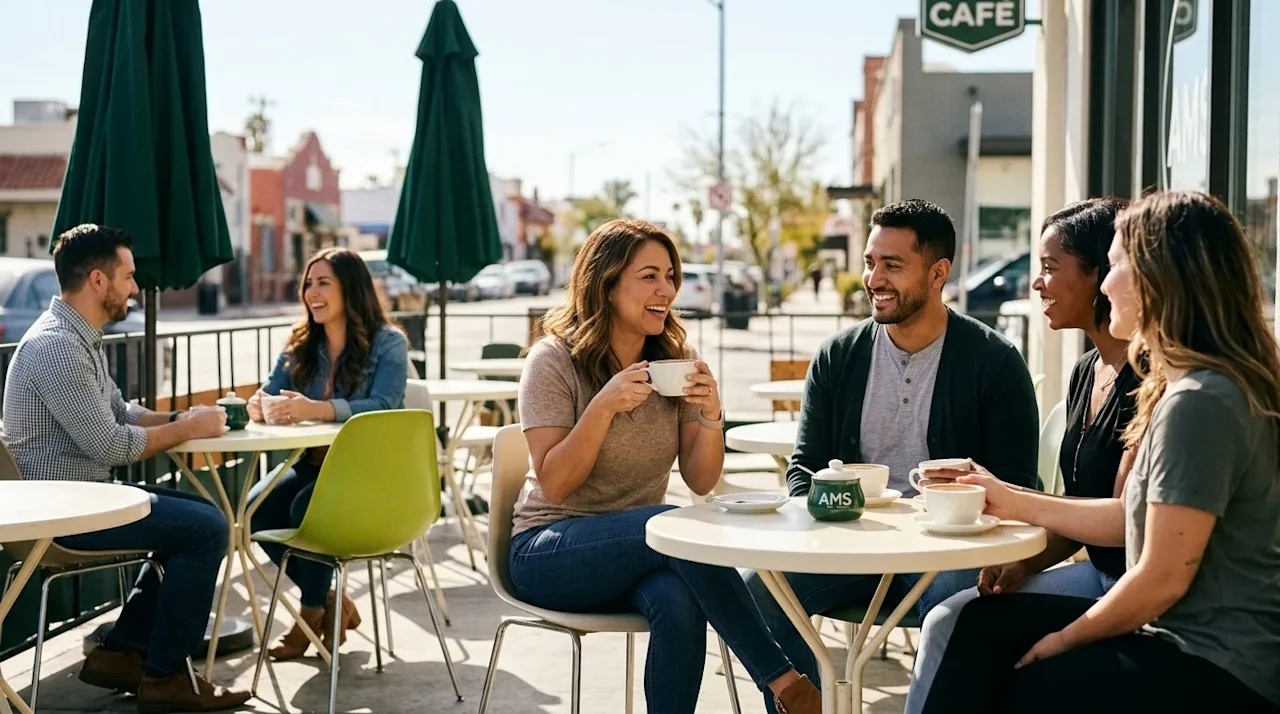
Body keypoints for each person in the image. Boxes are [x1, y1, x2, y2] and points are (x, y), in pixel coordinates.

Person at [922, 191, 1280, 713]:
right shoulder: (1185, 387)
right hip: (1184, 639)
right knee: (976, 633)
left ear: (1159, 279)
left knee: (1025, 683)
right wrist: (1007, 509)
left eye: (1115, 266)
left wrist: (1066, 639)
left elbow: (1161, 576)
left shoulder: (1201, 401)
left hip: (1217, 662)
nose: (1108, 285)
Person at [510, 218, 822, 714]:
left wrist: (711, 413)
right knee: (677, 530)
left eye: (671, 275)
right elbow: (555, 483)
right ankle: (785, 682)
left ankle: (782, 691)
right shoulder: (553, 361)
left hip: (647, 550)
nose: (667, 289)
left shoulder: (673, 361)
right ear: (607, 284)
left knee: (678, 599)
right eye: (650, 276)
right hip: (548, 550)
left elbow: (700, 480)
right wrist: (603, 407)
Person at [742, 199, 1040, 712]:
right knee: (754, 591)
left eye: (892, 265)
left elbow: (1017, 484)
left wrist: (957, 496)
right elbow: (803, 469)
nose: (874, 278)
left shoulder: (994, 362)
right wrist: (827, 507)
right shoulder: (838, 357)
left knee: (960, 614)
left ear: (937, 272)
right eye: (870, 262)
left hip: (944, 551)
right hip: (851, 543)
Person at [1, 224, 250, 711]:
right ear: (99, 281)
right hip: (65, 516)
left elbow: (122, 410)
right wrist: (186, 430)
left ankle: (121, 652)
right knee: (206, 529)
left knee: (199, 519)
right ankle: (164, 678)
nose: (136, 288)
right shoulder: (57, 347)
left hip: (89, 501)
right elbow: (110, 443)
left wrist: (183, 418)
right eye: (129, 276)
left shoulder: (78, 337)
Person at [903, 197, 1136, 713]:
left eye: (1051, 268)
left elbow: (1124, 525)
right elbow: (1078, 510)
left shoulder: (1151, 379)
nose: (1036, 283)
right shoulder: (1086, 371)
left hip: (1131, 590)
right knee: (952, 618)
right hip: (1095, 574)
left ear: (1101, 273)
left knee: (953, 625)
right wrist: (1027, 564)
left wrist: (1006, 496)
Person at [245, 247, 408, 660]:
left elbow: (386, 405)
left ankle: (310, 613)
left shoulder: (388, 343)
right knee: (253, 511)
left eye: (323, 283)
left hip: (365, 473)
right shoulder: (301, 343)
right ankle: (333, 600)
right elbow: (270, 389)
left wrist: (317, 409)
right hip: (312, 464)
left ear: (350, 289)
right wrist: (258, 404)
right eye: (308, 284)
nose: (311, 293)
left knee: (305, 509)